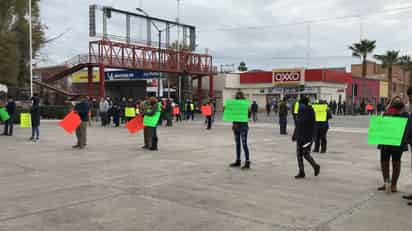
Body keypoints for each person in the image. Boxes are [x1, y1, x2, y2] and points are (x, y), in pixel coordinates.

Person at [377, 96, 408, 193]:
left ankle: (394, 185)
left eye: (398, 101)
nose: (396, 102)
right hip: (386, 142)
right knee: (384, 163)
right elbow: (381, 126)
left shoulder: (405, 114)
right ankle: (386, 183)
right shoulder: (386, 113)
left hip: (397, 143)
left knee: (396, 163)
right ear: (391, 103)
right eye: (395, 101)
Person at [292, 96, 320, 179]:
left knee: (305, 154)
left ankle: (315, 166)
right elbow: (298, 124)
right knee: (300, 154)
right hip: (302, 136)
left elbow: (312, 125)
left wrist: (313, 137)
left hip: (306, 137)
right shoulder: (302, 111)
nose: (299, 105)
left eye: (300, 103)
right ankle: (302, 172)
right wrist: (295, 134)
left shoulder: (309, 111)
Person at [229, 92, 251, 170]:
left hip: (243, 127)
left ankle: (247, 162)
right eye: (237, 97)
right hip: (236, 127)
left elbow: (248, 115)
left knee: (244, 144)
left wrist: (246, 109)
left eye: (239, 97)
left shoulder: (245, 105)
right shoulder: (235, 105)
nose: (238, 98)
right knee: (238, 144)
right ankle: (238, 160)